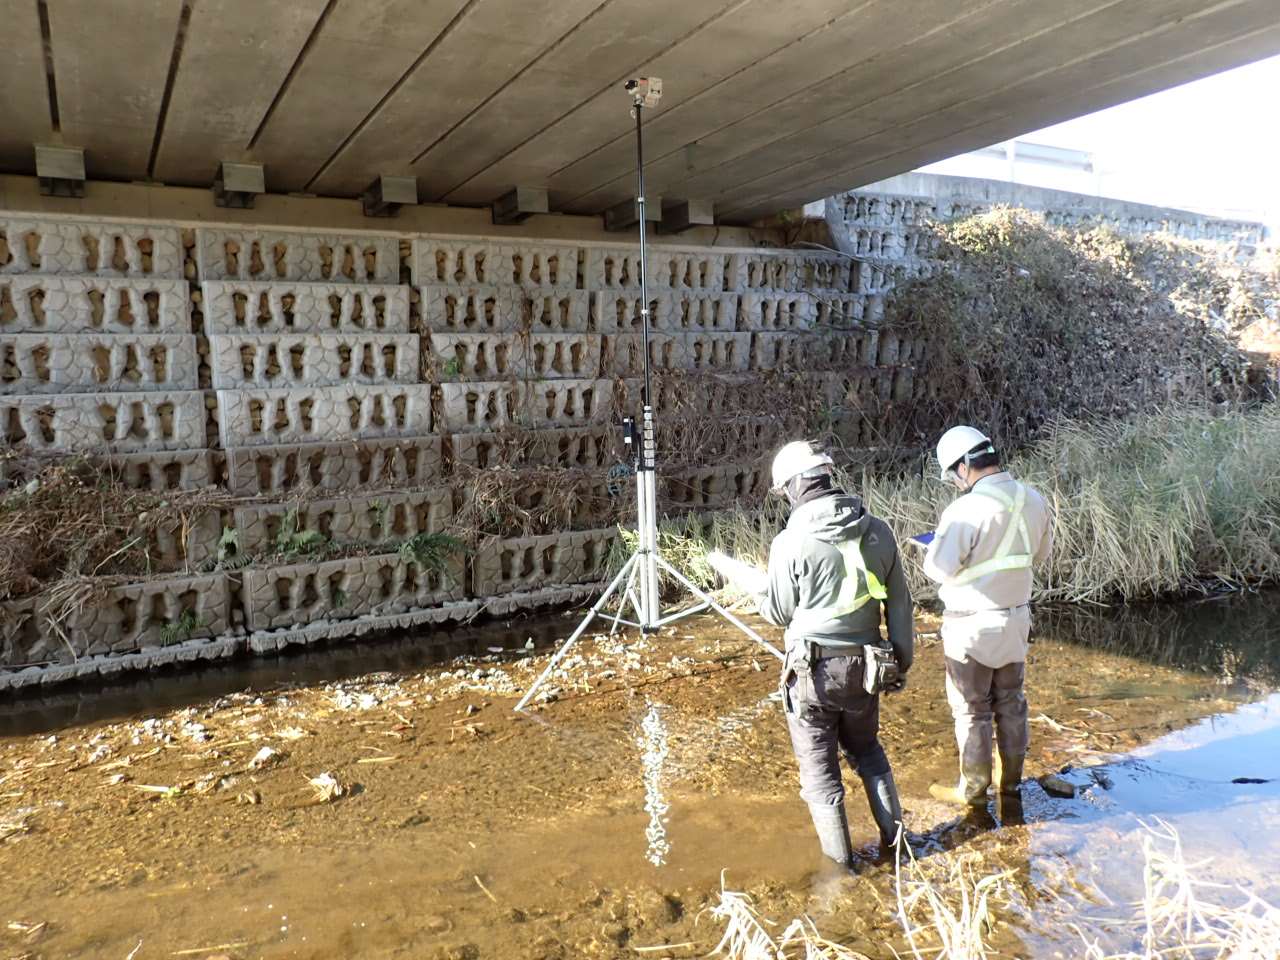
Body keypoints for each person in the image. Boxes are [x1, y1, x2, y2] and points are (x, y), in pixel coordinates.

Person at [758, 440, 914, 867]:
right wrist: (901, 660)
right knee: (867, 751)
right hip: (868, 668)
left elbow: (778, 613)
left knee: (819, 773)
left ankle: (840, 872)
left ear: (792, 488)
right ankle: (898, 847)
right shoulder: (879, 529)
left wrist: (763, 592)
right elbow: (899, 604)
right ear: (828, 477)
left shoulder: (789, 541)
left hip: (812, 673)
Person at [922, 426, 1053, 810]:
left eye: (952, 475)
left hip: (970, 628)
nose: (954, 482)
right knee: (1012, 702)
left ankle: (973, 791)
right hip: (1015, 622)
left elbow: (939, 568)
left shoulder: (964, 509)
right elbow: (1039, 556)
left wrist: (930, 547)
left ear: (964, 467)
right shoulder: (1034, 498)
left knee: (972, 710)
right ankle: (1010, 786)